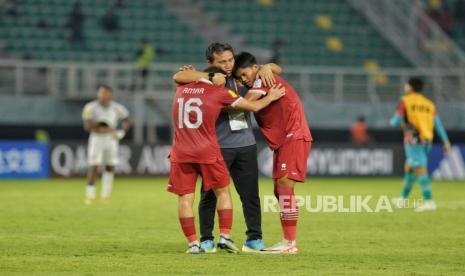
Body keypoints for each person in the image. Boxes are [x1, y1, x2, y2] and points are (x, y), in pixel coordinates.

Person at [173, 42, 282, 253]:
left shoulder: (241, 75)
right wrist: (208, 76)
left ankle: (254, 238)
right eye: (222, 61)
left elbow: (276, 70)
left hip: (245, 144)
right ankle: (207, 239)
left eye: (230, 59)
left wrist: (268, 66)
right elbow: (178, 77)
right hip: (217, 146)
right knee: (209, 196)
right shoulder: (207, 78)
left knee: (250, 195)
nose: (229, 65)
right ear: (210, 63)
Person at [233, 52, 312, 254]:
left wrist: (228, 102)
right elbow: (275, 68)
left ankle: (290, 243)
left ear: (253, 68)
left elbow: (248, 102)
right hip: (283, 141)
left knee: (285, 185)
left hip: (293, 135)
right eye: (239, 78)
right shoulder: (262, 75)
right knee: (280, 189)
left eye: (244, 74)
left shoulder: (261, 79)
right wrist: (269, 66)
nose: (243, 79)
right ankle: (288, 240)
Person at [390, 77, 451, 212]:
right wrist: (446, 141)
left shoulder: (405, 101)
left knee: (420, 168)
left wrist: (396, 120)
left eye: (407, 84)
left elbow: (395, 121)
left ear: (410, 87)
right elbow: (438, 125)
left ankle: (429, 201)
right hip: (427, 141)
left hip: (414, 139)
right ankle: (402, 199)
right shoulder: (429, 104)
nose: (405, 86)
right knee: (410, 168)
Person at [82, 85, 132, 205]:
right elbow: (87, 126)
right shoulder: (90, 107)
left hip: (111, 139)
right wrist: (99, 125)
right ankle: (90, 195)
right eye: (100, 93)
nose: (102, 95)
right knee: (94, 166)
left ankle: (105, 195)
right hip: (96, 139)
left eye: (105, 93)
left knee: (110, 166)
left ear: (110, 94)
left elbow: (127, 119)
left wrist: (122, 132)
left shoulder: (116, 107)